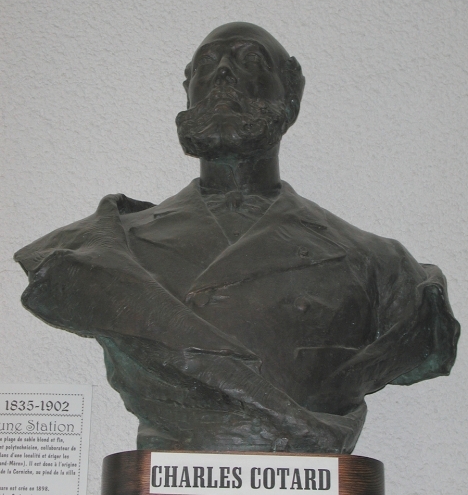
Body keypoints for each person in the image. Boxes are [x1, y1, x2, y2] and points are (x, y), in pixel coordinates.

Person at [14, 23, 460, 454]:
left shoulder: (380, 263)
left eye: (251, 61)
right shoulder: (102, 248)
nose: (224, 73)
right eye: (207, 63)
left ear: (291, 95)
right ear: (188, 91)